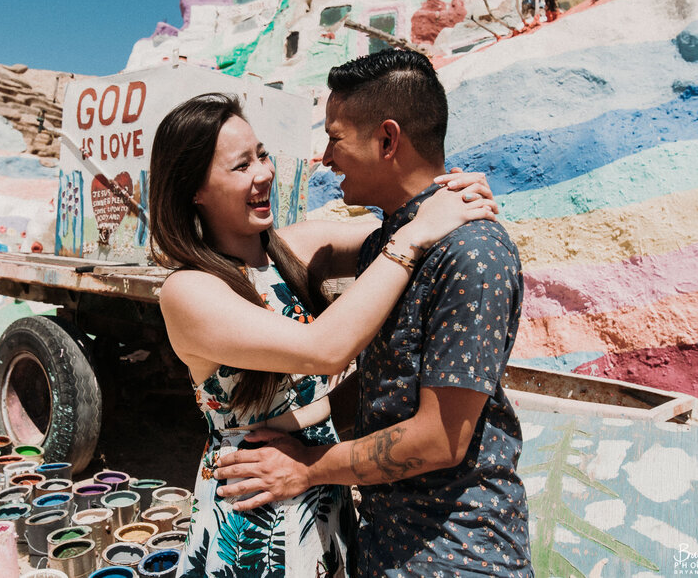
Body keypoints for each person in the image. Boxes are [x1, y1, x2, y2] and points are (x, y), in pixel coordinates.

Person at [149, 91, 498, 578]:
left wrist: (456, 196)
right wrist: (412, 237)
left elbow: (412, 224)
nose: (264, 173)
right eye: (241, 165)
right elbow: (325, 350)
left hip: (320, 478)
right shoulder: (189, 291)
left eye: (263, 155)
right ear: (194, 189)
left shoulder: (292, 248)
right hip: (257, 502)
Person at [214, 50, 533, 577]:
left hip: (456, 552)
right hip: (388, 539)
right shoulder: (393, 240)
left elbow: (441, 439)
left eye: (336, 139)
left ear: (387, 140)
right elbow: (283, 249)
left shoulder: (471, 253)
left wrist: (308, 467)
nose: (325, 158)